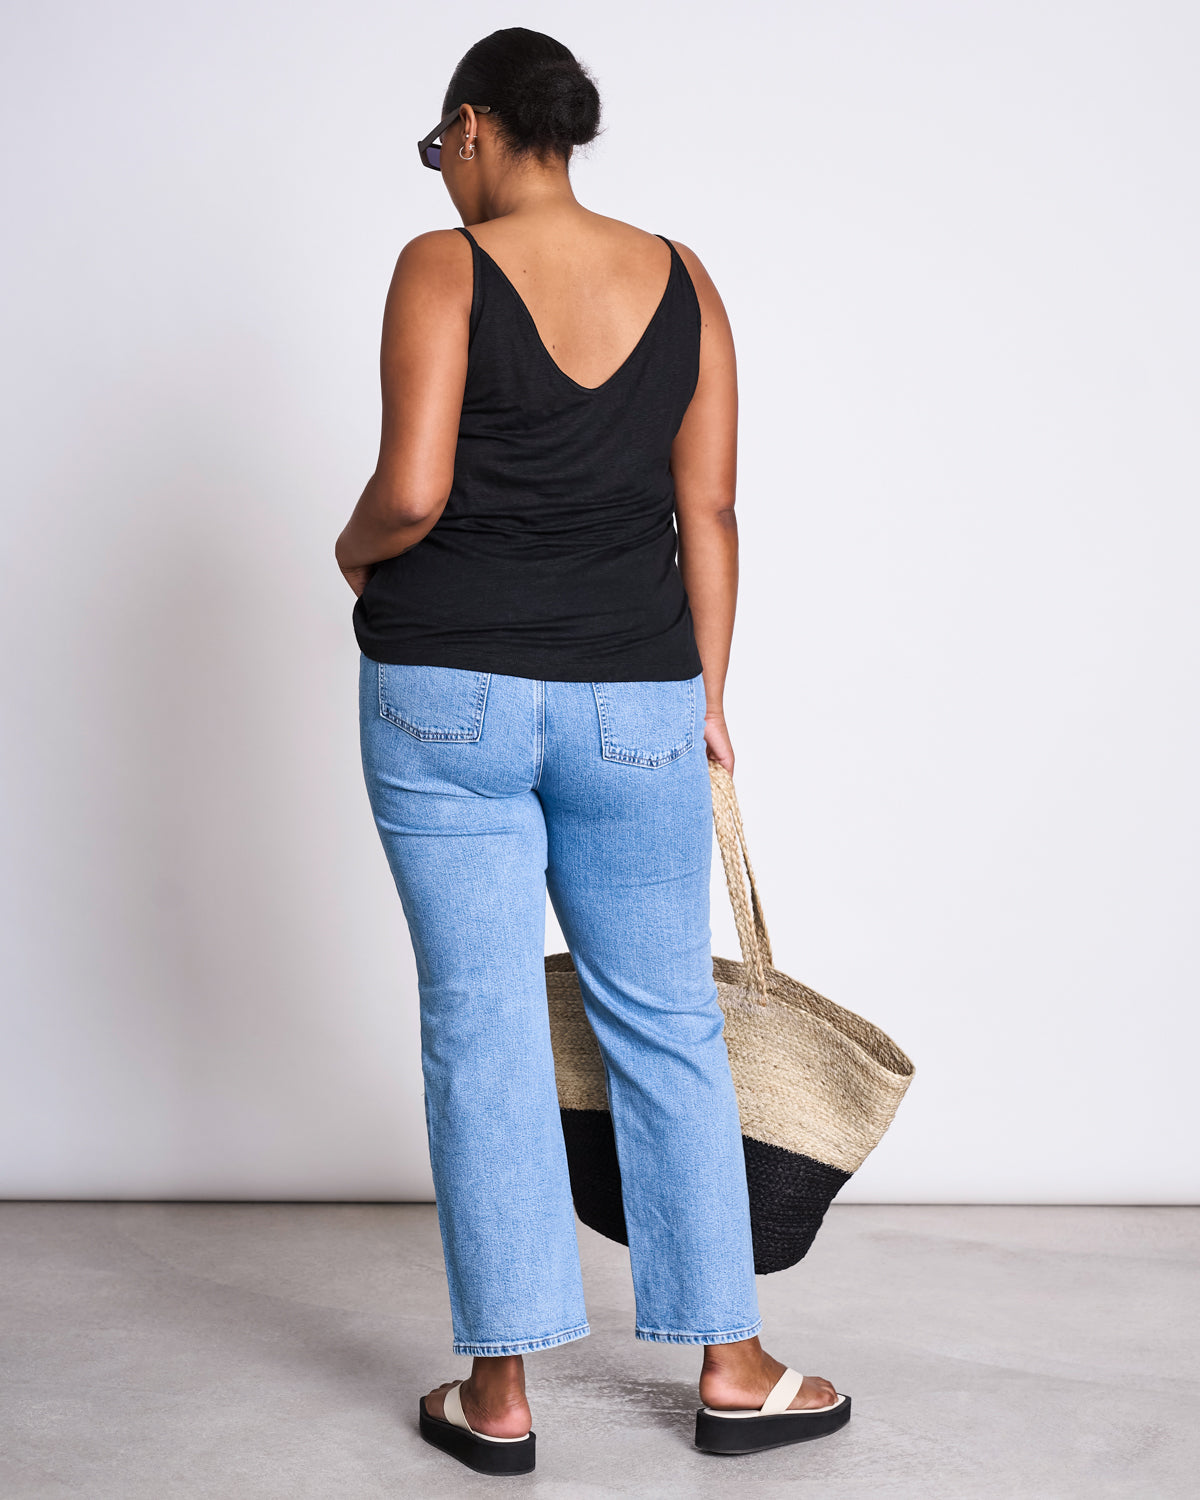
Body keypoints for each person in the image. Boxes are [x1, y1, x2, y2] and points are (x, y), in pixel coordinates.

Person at [335, 27, 849, 1476]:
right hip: (637, 698)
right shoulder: (685, 278)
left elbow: (413, 489)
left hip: (448, 698)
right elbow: (715, 511)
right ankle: (732, 1365)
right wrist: (710, 693)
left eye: (444, 151)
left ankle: (498, 1398)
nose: (443, 177)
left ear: (479, 128)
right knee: (666, 1018)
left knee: (483, 1025)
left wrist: (346, 546)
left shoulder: (443, 268)